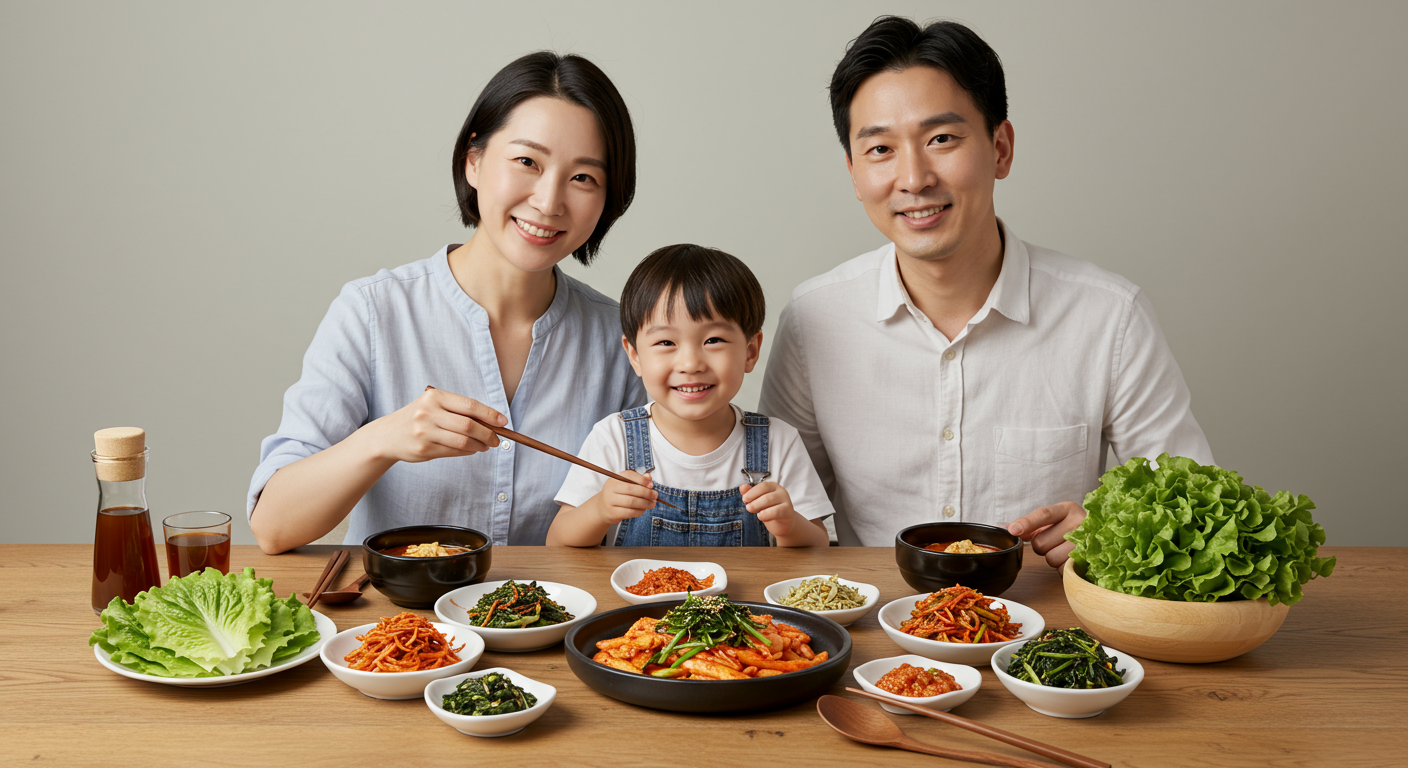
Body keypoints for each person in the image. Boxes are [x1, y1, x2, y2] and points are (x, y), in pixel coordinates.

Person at [758, 17, 1213, 566]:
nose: (915, 178)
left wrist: (1110, 531)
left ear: (1000, 148)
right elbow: (785, 514)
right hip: (875, 632)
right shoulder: (813, 320)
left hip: (1051, 633)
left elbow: (1194, 503)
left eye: (941, 139)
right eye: (880, 149)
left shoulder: (1110, 316)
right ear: (854, 173)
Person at [248, 52, 646, 553]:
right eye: (527, 161)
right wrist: (383, 440)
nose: (549, 201)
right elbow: (273, 526)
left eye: (583, 177)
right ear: (473, 161)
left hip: (564, 625)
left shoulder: (625, 338)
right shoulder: (373, 312)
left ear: (608, 199)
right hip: (398, 627)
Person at [547, 244, 833, 547]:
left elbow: (818, 547)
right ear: (635, 356)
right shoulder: (613, 437)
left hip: (744, 597)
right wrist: (599, 510)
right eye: (666, 342)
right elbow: (557, 543)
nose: (691, 364)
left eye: (713, 340)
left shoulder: (779, 441)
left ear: (750, 351)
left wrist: (789, 525)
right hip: (638, 596)